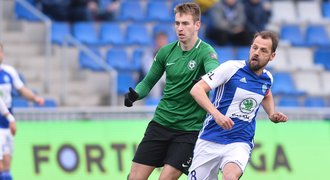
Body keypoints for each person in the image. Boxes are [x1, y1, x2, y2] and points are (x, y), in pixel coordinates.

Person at [124, 2, 220, 179]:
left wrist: (206, 79)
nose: (180, 28)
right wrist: (135, 94)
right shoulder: (165, 52)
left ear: (197, 25)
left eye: (185, 23)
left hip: (189, 130)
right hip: (161, 123)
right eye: (177, 23)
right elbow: (148, 82)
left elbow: (215, 72)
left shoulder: (206, 52)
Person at [188, 31, 288, 180]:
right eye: (255, 47)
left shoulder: (268, 78)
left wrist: (271, 114)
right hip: (210, 138)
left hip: (240, 141)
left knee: (230, 177)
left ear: (272, 56)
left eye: (263, 50)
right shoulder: (231, 68)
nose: (257, 53)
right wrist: (217, 115)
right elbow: (197, 90)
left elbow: (266, 94)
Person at [0, 43, 45, 180]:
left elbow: (21, 89)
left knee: (6, 166)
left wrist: (34, 97)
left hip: (6, 124)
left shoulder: (9, 72)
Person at [140, 32, 169, 100]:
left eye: (164, 40)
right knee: (156, 81)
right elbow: (148, 71)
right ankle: (154, 104)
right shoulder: (148, 55)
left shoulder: (171, 55)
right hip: (152, 80)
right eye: (160, 40)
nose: (162, 43)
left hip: (167, 78)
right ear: (156, 41)